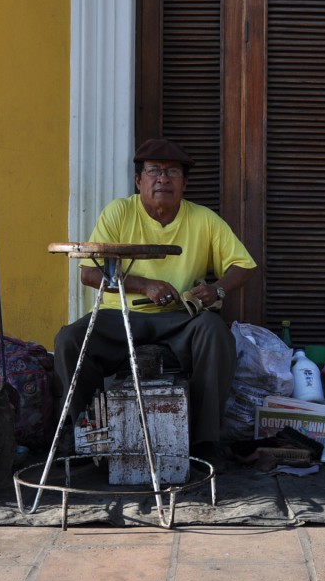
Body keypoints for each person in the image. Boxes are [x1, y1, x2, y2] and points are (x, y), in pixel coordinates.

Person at [53, 138, 257, 469]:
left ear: (184, 183)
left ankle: (205, 443)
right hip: (120, 315)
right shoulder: (119, 212)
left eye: (172, 172)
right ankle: (82, 436)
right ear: (139, 181)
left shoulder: (203, 219)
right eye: (154, 171)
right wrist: (143, 285)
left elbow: (245, 265)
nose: (163, 179)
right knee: (69, 340)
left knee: (215, 332)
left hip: (179, 319)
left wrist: (217, 289)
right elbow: (89, 274)